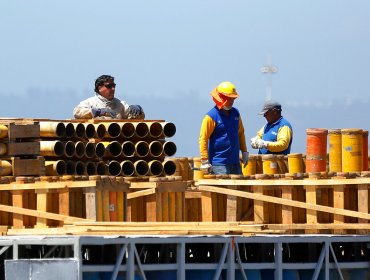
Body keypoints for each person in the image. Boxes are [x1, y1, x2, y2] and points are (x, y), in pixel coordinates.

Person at [199, 81, 249, 175]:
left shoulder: (235, 113)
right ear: (221, 98)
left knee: (239, 189)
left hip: (235, 162)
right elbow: (203, 139)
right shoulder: (211, 116)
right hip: (219, 164)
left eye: (233, 99)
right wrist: (204, 160)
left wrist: (244, 151)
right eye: (229, 99)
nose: (232, 101)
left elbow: (240, 133)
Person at [73, 75, 145, 119]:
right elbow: (77, 112)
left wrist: (138, 110)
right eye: (109, 86)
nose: (113, 89)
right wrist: (98, 112)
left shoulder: (121, 104)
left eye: (114, 86)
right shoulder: (90, 103)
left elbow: (133, 117)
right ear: (99, 88)